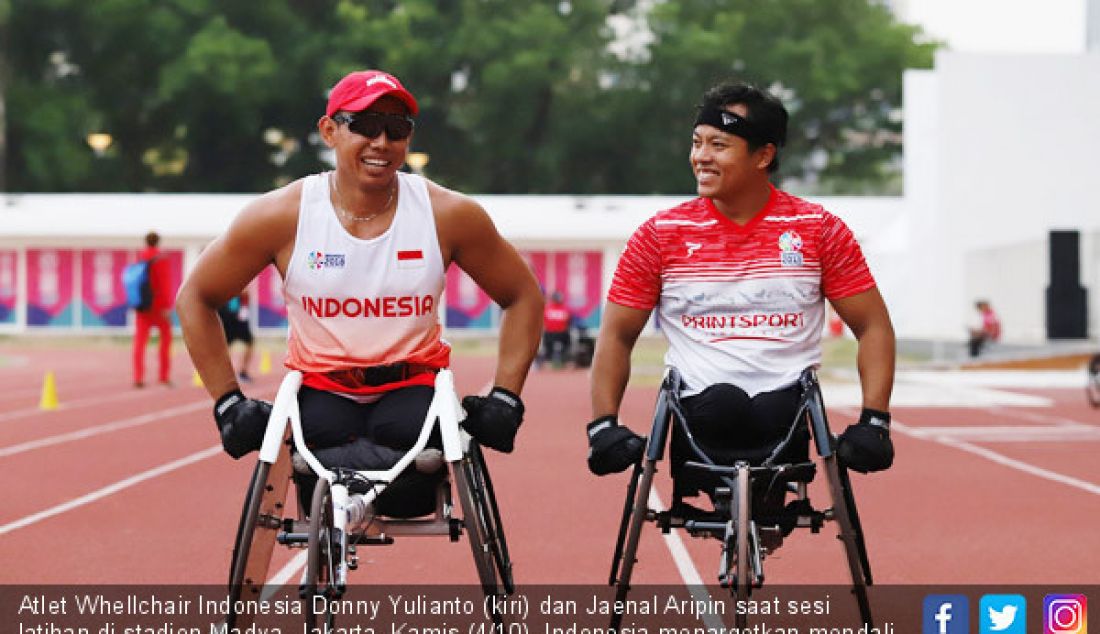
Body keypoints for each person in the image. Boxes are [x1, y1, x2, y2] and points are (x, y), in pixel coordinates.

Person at [177, 70, 543, 484]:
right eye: (365, 126)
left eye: (397, 129)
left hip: (412, 387)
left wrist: (506, 397)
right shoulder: (280, 216)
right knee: (314, 465)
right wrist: (227, 402)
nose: (382, 142)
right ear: (329, 131)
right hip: (320, 388)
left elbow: (522, 295)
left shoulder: (448, 215)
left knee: (414, 472)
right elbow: (196, 296)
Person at [585, 81, 896, 478]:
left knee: (771, 408)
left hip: (787, 408)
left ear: (764, 155)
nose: (701, 157)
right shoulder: (661, 234)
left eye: (719, 145)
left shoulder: (818, 229)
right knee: (721, 404)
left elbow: (873, 326)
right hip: (698, 410)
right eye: (697, 143)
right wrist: (603, 424)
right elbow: (615, 334)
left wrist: (874, 420)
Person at [132, 231, 173, 388]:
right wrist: (166, 306)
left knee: (140, 343)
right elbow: (164, 283)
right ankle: (163, 376)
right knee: (165, 340)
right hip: (158, 306)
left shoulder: (140, 257)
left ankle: (138, 377)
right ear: (158, 242)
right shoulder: (162, 258)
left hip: (142, 305)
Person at [217, 288, 255, 382]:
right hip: (225, 317)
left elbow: (246, 293)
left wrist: (244, 309)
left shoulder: (239, 283)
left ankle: (242, 372)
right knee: (224, 348)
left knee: (249, 342)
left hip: (238, 318)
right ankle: (224, 374)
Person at [542, 291, 573, 368]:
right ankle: (568, 362)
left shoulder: (547, 309)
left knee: (547, 344)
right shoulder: (565, 309)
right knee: (567, 344)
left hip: (550, 333)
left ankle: (547, 362)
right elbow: (569, 322)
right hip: (562, 334)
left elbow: (544, 322)